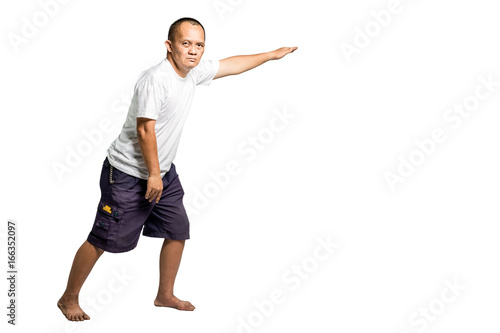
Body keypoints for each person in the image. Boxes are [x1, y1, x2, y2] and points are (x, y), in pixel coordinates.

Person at [57, 17, 297, 322]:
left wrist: (271, 55)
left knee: (176, 229)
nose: (194, 51)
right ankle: (68, 298)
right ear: (170, 46)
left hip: (163, 172)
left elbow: (230, 65)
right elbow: (146, 130)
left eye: (199, 45)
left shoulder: (192, 72)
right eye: (186, 44)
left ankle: (164, 295)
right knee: (103, 238)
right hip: (128, 174)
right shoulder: (155, 79)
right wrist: (153, 175)